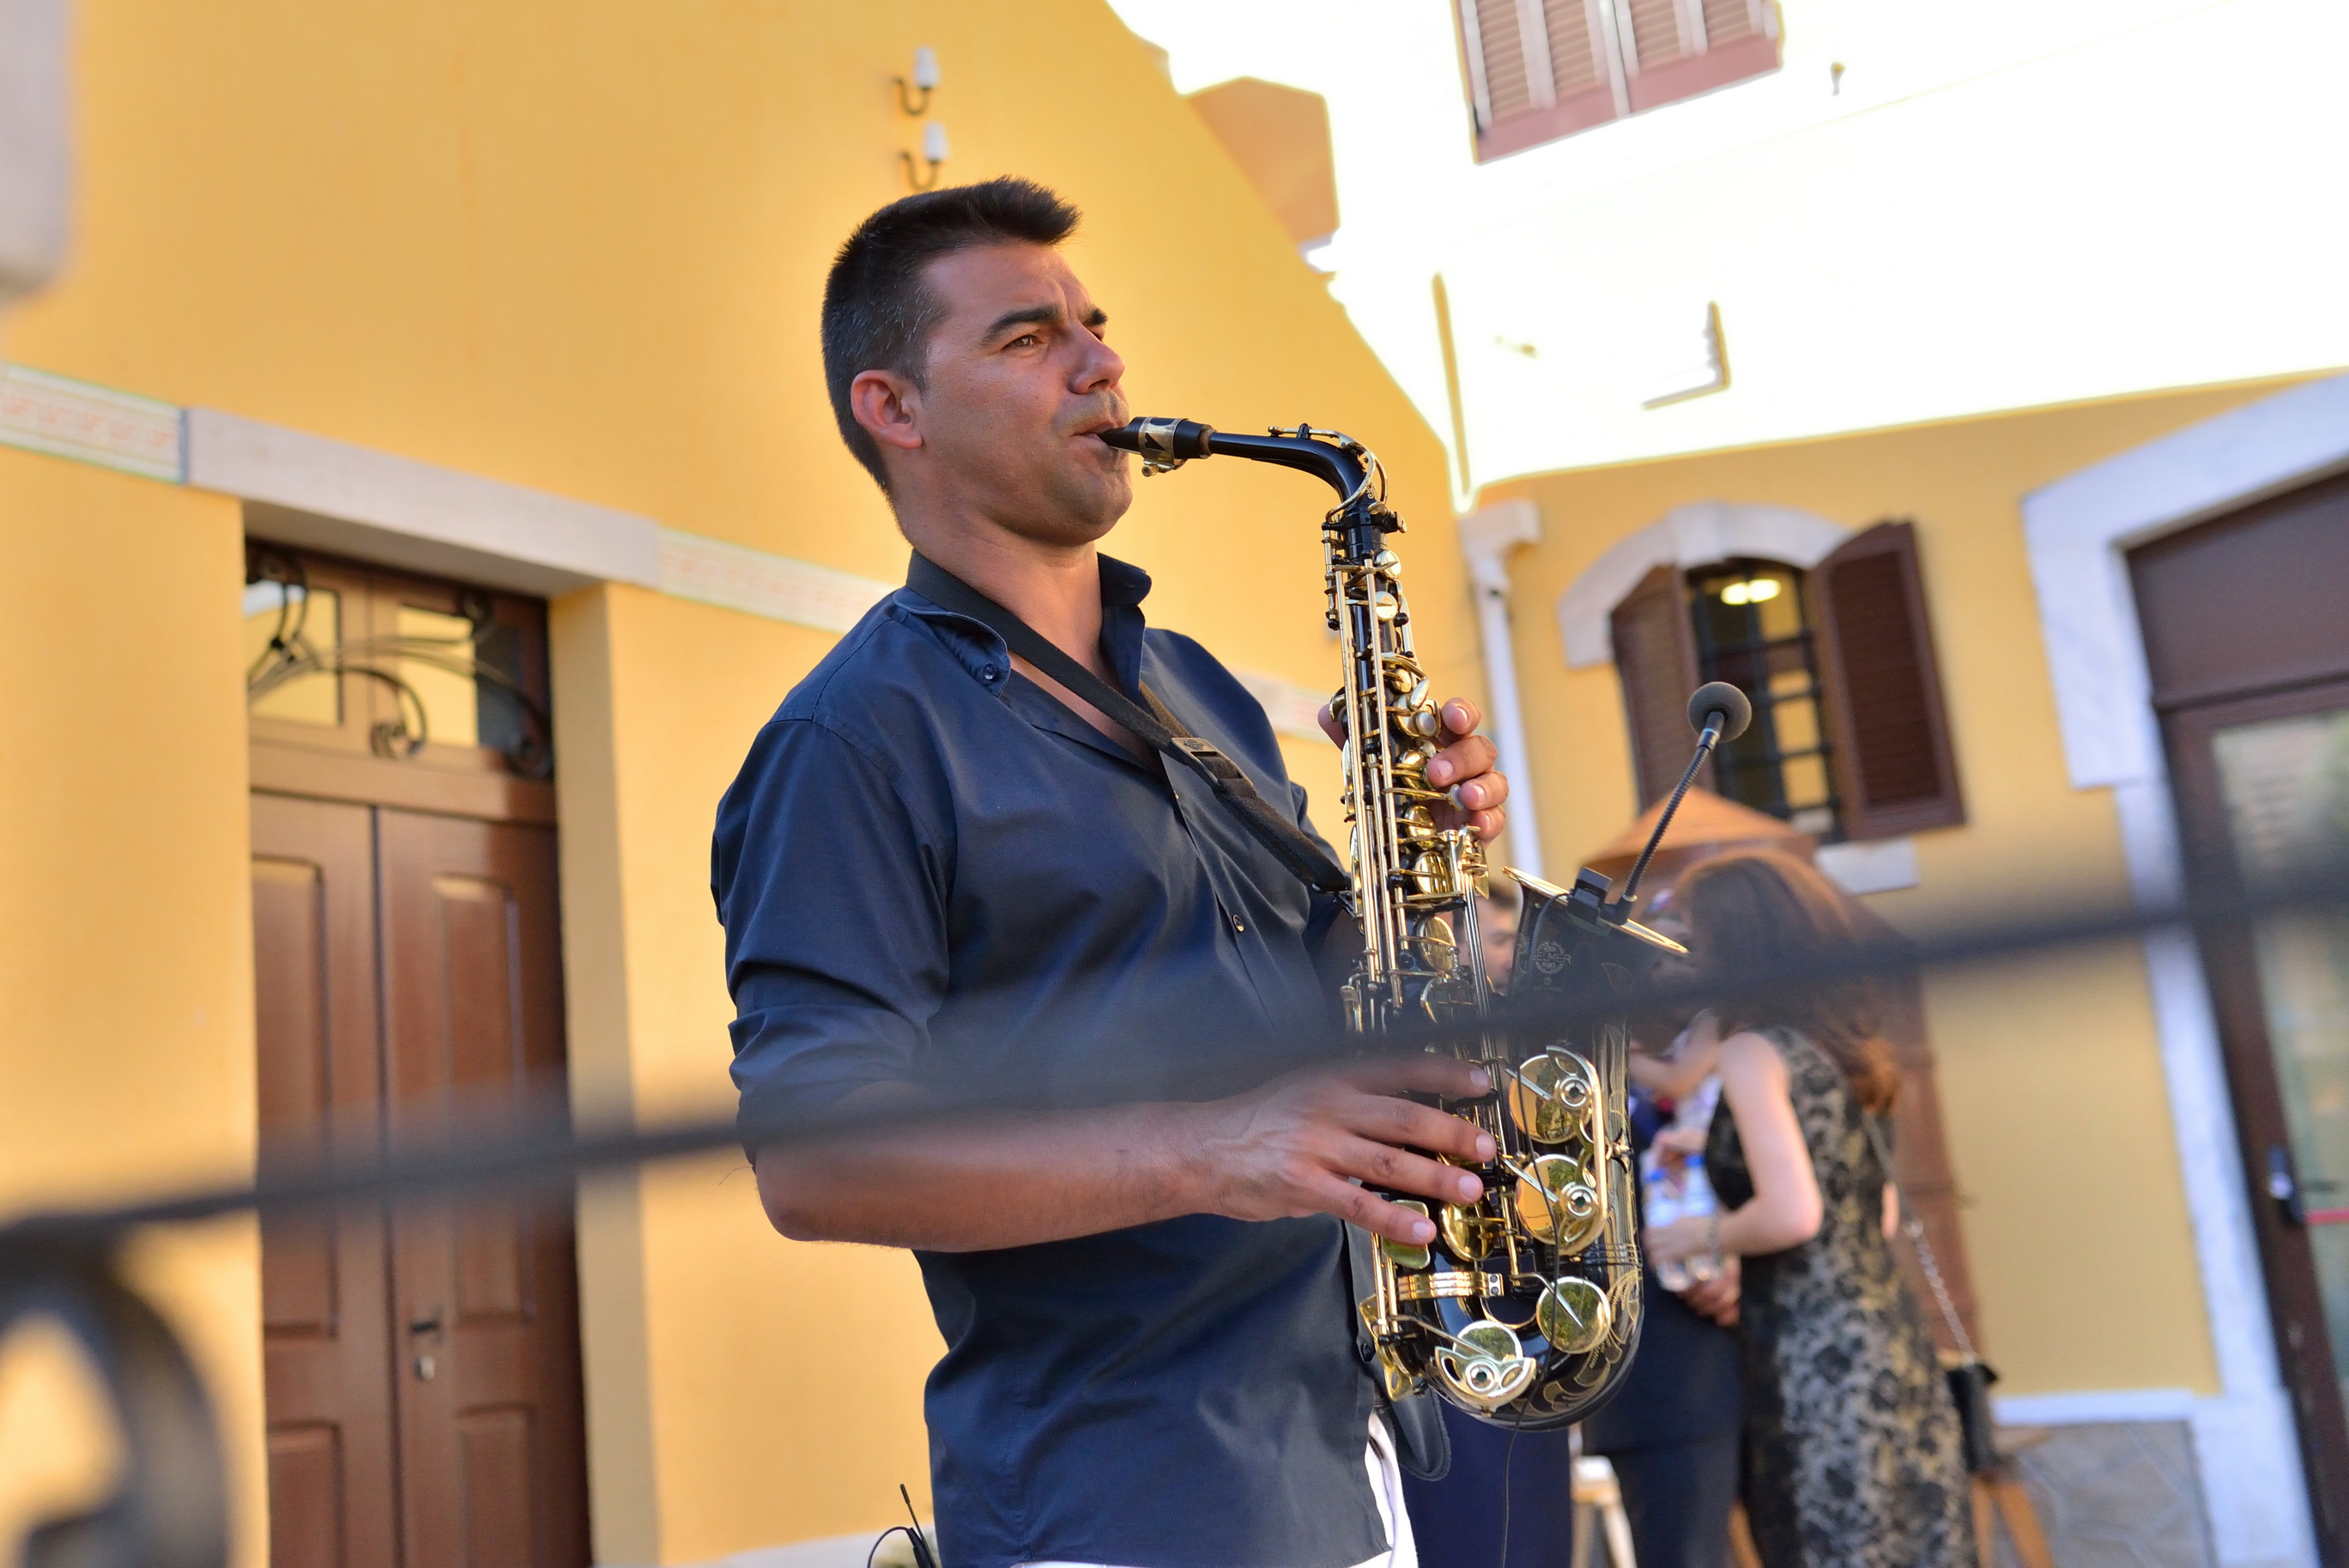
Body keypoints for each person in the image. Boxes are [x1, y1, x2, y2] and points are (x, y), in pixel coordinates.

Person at [711, 178, 1514, 1568]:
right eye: (1027, 338)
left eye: (1094, 324)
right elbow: (813, 1159)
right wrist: (1213, 1144)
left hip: (1350, 1461)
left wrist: (1432, 868)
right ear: (892, 408)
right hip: (1116, 1507)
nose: (1102, 362)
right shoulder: (852, 740)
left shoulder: (1199, 687)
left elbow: (1336, 1004)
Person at [1644, 851, 1974, 1568]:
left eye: (1693, 938)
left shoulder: (1750, 1050)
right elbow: (1874, 1210)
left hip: (1811, 1353)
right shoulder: (1841, 1047)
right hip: (1887, 1336)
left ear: (1733, 943)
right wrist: (1708, 1139)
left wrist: (1690, 1235)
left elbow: (1794, 1213)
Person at [1399, 878, 1582, 1568]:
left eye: (1508, 940)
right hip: (1453, 1321)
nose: (1506, 958)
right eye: (1493, 940)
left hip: (1519, 1324)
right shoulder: (1422, 1048)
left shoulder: (1516, 1050)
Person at [1581, 900, 1747, 1568]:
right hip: (1663, 1389)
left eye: (1687, 951)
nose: (1672, 969)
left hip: (1759, 1361)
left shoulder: (1743, 1040)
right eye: (1654, 955)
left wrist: (1738, 1256)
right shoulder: (1573, 1071)